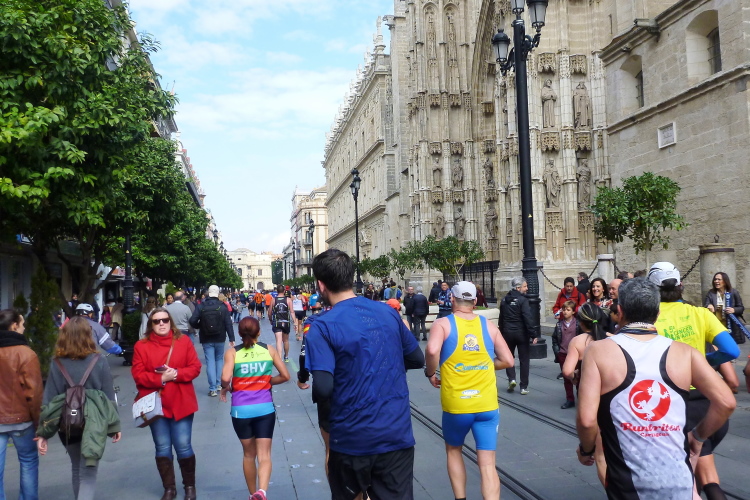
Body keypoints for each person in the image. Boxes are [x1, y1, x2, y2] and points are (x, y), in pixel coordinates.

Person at [576, 278, 736, 499]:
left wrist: (586, 450)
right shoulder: (685, 352)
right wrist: (697, 438)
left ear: (620, 312)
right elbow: (726, 402)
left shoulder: (598, 351)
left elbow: (587, 420)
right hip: (678, 480)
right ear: (657, 314)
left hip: (628, 482)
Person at [305, 249, 425, 499]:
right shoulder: (388, 312)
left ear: (321, 285)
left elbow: (324, 387)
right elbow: (416, 358)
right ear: (350, 278)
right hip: (396, 433)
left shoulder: (321, 326)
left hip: (351, 438)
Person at [648, 262, 740, 499]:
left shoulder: (651, 321)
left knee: (693, 481)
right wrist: (704, 362)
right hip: (708, 404)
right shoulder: (700, 314)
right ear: (680, 286)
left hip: (676, 407)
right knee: (702, 473)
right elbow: (731, 350)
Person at [424, 282, 514, 500]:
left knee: (454, 450)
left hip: (457, 404)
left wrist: (431, 372)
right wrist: (484, 364)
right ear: (474, 301)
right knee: (488, 463)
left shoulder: (443, 324)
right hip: (486, 404)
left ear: (451, 299)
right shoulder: (488, 325)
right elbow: (508, 360)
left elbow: (433, 350)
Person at [36, 317, 121, 500]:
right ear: (88, 335)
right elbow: (109, 395)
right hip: (95, 422)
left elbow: (49, 398)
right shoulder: (99, 360)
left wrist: (43, 433)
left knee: (77, 468)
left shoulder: (57, 362)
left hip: (67, 422)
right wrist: (115, 426)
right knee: (88, 473)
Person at [133, 307, 202, 500]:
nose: (161, 324)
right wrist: (161, 378)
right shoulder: (141, 346)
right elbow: (138, 375)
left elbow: (195, 367)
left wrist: (177, 374)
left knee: (183, 445)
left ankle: (190, 487)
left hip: (181, 401)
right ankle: (169, 488)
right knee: (162, 447)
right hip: (155, 405)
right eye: (156, 321)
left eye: (164, 320)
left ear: (170, 321)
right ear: (151, 324)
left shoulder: (183, 341)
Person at [219, 317, 290, 500]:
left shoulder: (232, 353)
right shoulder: (269, 350)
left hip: (241, 411)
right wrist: (266, 381)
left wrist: (228, 386)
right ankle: (262, 492)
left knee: (249, 455)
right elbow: (285, 376)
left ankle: (252, 494)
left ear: (240, 333)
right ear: (259, 332)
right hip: (265, 409)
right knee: (264, 455)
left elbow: (225, 378)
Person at [0, 309, 42, 500]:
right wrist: (39, 423)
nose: (24, 328)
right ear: (14, 325)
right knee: (28, 461)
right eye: (22, 324)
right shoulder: (26, 354)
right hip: (22, 420)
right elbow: (34, 393)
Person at [189, 285, 235, 397]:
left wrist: (200, 326)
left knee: (210, 361)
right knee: (219, 360)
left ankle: (212, 388)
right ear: (217, 293)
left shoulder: (201, 306)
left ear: (208, 293)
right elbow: (228, 323)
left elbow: (192, 320)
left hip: (206, 337)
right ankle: (219, 384)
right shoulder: (222, 306)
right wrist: (231, 338)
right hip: (220, 337)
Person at [500, 277, 537, 394]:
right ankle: (523, 386)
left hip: (507, 333)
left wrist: (501, 332)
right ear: (518, 288)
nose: (527, 289)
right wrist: (533, 334)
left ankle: (511, 379)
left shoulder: (504, 300)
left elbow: (501, 318)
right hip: (521, 334)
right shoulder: (523, 300)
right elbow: (527, 318)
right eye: (525, 286)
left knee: (509, 357)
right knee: (524, 360)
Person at [551, 301, 580, 409]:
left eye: (568, 310)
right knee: (567, 377)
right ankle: (570, 399)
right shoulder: (559, 324)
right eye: (564, 309)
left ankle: (580, 398)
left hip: (575, 354)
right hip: (563, 353)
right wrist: (557, 352)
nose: (565, 312)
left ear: (573, 312)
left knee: (578, 376)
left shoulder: (578, 324)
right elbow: (555, 339)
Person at [704, 271, 745, 345]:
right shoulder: (711, 293)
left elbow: (741, 308)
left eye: (719, 279)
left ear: (725, 281)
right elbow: (706, 304)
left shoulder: (733, 292)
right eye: (715, 279)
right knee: (719, 345)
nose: (716, 281)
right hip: (717, 326)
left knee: (732, 346)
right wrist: (709, 305)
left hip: (732, 326)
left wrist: (734, 310)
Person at [270, 285, 294, 362]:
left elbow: (269, 312)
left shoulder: (273, 300)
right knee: (286, 340)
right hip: (286, 322)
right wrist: (295, 322)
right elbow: (292, 312)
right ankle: (286, 356)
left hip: (277, 322)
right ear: (284, 291)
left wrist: (270, 320)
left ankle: (279, 358)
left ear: (277, 291)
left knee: (278, 341)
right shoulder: (288, 300)